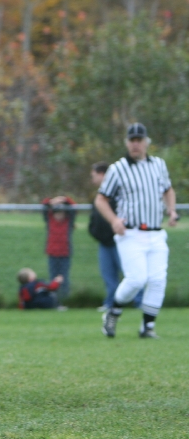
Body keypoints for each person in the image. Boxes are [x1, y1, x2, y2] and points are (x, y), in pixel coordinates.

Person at [97, 123, 178, 338]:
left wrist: (171, 210)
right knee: (136, 279)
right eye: (132, 140)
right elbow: (101, 199)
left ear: (146, 142)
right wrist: (114, 220)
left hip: (155, 232)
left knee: (158, 280)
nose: (135, 144)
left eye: (139, 140)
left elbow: (168, 190)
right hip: (130, 233)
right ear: (127, 143)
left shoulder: (158, 164)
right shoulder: (118, 168)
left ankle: (147, 327)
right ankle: (113, 311)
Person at [87, 161, 142, 311]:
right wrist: (94, 231)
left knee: (132, 273)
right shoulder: (99, 196)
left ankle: (139, 302)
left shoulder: (120, 194)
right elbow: (95, 219)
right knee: (109, 275)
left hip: (121, 241)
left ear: (102, 174)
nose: (92, 180)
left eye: (94, 176)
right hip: (104, 243)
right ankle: (111, 302)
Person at [42, 195, 75, 304]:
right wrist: (52, 201)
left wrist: (64, 199)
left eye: (61, 213)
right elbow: (44, 206)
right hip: (52, 254)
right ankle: (53, 300)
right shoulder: (50, 220)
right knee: (53, 277)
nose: (59, 216)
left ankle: (65, 299)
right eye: (57, 213)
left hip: (65, 253)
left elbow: (74, 207)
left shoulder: (68, 222)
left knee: (64, 277)